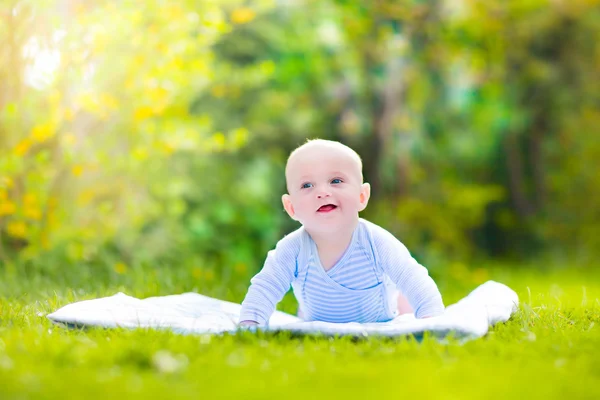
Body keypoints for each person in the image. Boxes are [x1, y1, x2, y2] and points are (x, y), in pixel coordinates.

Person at [239, 139, 444, 326]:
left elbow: (413, 277)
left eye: (336, 181)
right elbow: (265, 286)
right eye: (307, 185)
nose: (322, 192)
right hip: (317, 319)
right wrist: (250, 322)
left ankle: (401, 303)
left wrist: (431, 319)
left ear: (362, 196)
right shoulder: (292, 249)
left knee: (403, 299)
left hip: (382, 316)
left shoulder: (376, 242)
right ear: (291, 207)